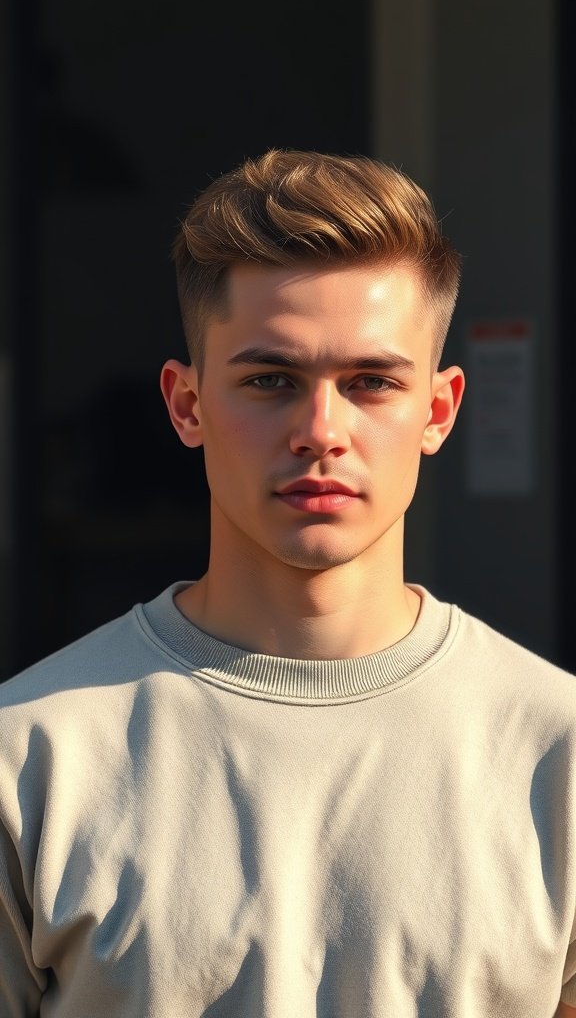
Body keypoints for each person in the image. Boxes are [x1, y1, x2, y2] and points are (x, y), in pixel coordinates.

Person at [1, 149, 575, 1018]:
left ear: (438, 410)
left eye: (372, 382)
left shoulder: (556, 754)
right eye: (270, 380)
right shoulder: (30, 758)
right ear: (187, 404)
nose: (320, 430)